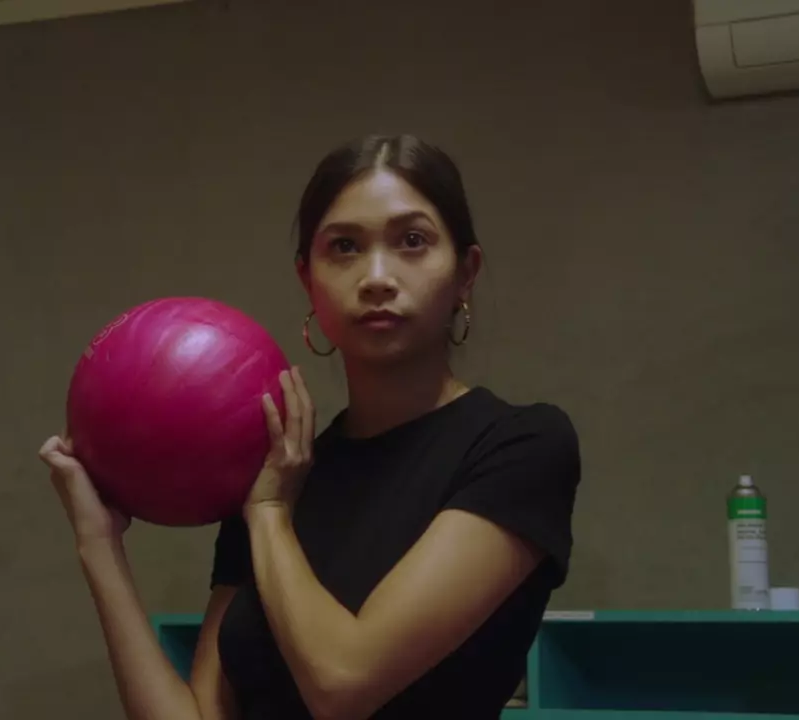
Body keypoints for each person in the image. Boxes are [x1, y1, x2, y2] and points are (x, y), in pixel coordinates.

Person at [39, 134, 583, 719]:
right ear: (308, 279)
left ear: (465, 273)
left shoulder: (521, 447)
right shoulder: (274, 473)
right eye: (344, 247)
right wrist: (100, 546)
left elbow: (343, 683)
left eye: (412, 241)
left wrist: (270, 512)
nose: (377, 277)